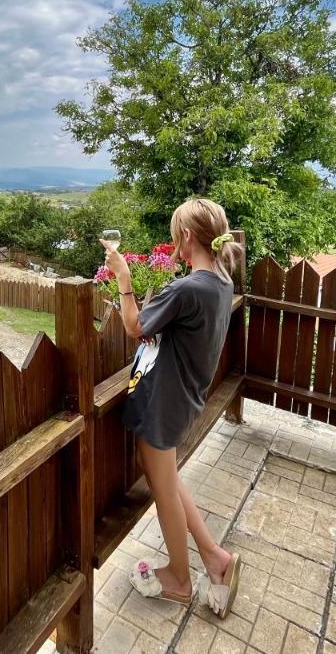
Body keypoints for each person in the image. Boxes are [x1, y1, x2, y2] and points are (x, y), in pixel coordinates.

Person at [101, 198, 243, 617]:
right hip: (182, 397)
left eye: (174, 232)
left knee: (163, 490)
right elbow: (171, 330)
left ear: (185, 237)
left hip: (163, 401)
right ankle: (215, 558)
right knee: (166, 479)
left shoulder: (187, 288)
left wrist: (123, 279)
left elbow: (133, 326)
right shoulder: (220, 282)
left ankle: (180, 580)